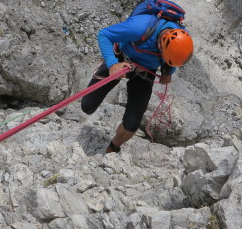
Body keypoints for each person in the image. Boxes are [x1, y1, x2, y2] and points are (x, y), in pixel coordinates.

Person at [81, 11, 194, 153]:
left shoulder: (181, 38)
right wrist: (112, 64)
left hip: (145, 72)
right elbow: (104, 34)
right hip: (121, 59)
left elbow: (174, 58)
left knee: (132, 124)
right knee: (87, 106)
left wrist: (168, 72)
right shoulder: (140, 27)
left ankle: (113, 147)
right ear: (160, 44)